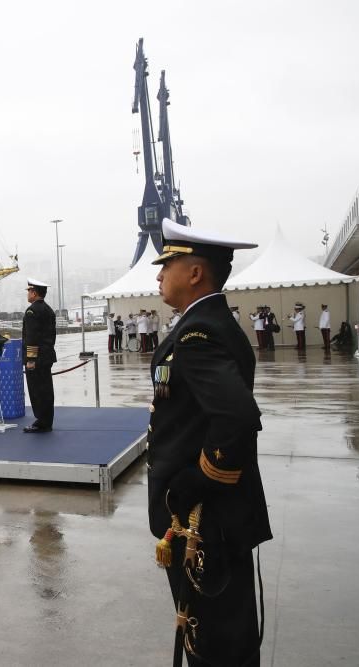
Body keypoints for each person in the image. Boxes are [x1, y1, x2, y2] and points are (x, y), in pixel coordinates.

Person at [148, 218, 270, 666]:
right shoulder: (206, 323)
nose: (159, 275)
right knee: (218, 636)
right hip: (210, 520)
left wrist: (196, 480)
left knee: (213, 645)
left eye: (167, 265)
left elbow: (236, 418)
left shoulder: (199, 334)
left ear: (195, 273)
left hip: (205, 522)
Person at [22, 279, 56, 433]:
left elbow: (32, 337)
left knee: (37, 391)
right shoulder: (49, 310)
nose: (28, 294)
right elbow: (52, 336)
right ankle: (47, 420)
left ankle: (41, 422)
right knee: (47, 390)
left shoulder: (32, 311)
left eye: (29, 291)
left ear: (34, 293)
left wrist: (30, 359)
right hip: (47, 356)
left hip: (36, 360)